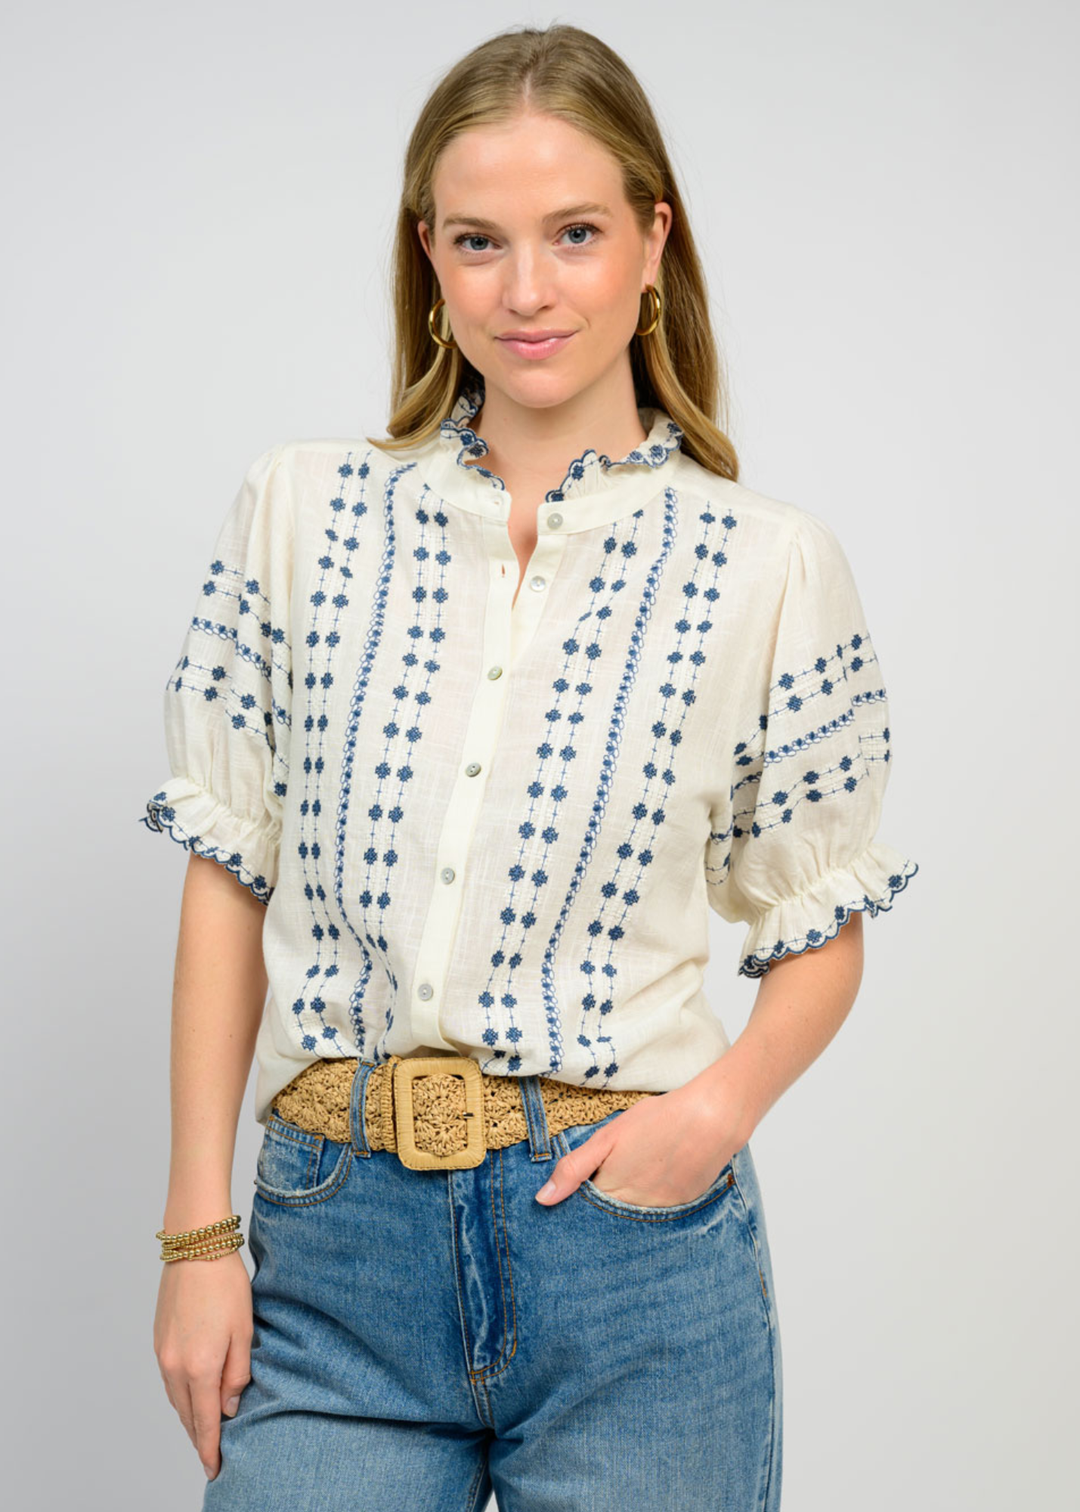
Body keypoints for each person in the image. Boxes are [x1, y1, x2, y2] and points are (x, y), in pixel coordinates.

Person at [144, 22, 918, 1511]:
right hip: (334, 1251)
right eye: (478, 241)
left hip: (632, 1268)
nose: (527, 289)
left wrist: (712, 1116)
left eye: (574, 233)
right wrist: (196, 1238)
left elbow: (821, 929)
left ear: (652, 242)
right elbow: (225, 880)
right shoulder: (301, 516)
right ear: (426, 258)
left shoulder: (764, 568)